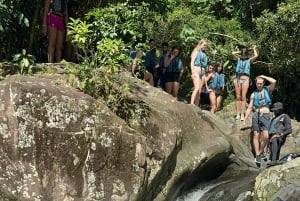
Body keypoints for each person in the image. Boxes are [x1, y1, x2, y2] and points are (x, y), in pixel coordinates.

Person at [241, 75, 276, 163]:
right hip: (256, 114)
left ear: (263, 83)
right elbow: (249, 108)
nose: (259, 85)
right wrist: (244, 120)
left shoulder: (268, 90)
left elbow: (274, 81)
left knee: (266, 136)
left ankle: (261, 152)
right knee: (256, 135)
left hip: (265, 114)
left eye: (261, 83)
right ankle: (257, 155)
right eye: (258, 83)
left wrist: (263, 76)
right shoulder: (253, 94)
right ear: (256, 84)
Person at [232, 45, 258, 120]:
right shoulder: (238, 59)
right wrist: (241, 51)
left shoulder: (249, 60)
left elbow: (256, 55)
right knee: (237, 96)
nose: (243, 56)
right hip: (238, 78)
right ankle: (237, 114)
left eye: (244, 55)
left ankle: (242, 114)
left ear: (247, 55)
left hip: (245, 79)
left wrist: (253, 49)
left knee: (243, 96)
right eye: (242, 55)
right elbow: (233, 53)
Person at [190, 39, 208, 106]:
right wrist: (192, 73)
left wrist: (204, 75)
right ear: (200, 44)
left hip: (202, 72)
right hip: (196, 70)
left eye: (206, 45)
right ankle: (191, 103)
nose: (205, 46)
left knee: (200, 90)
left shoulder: (204, 54)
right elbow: (192, 62)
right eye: (204, 45)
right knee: (196, 88)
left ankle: (196, 105)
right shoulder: (196, 51)